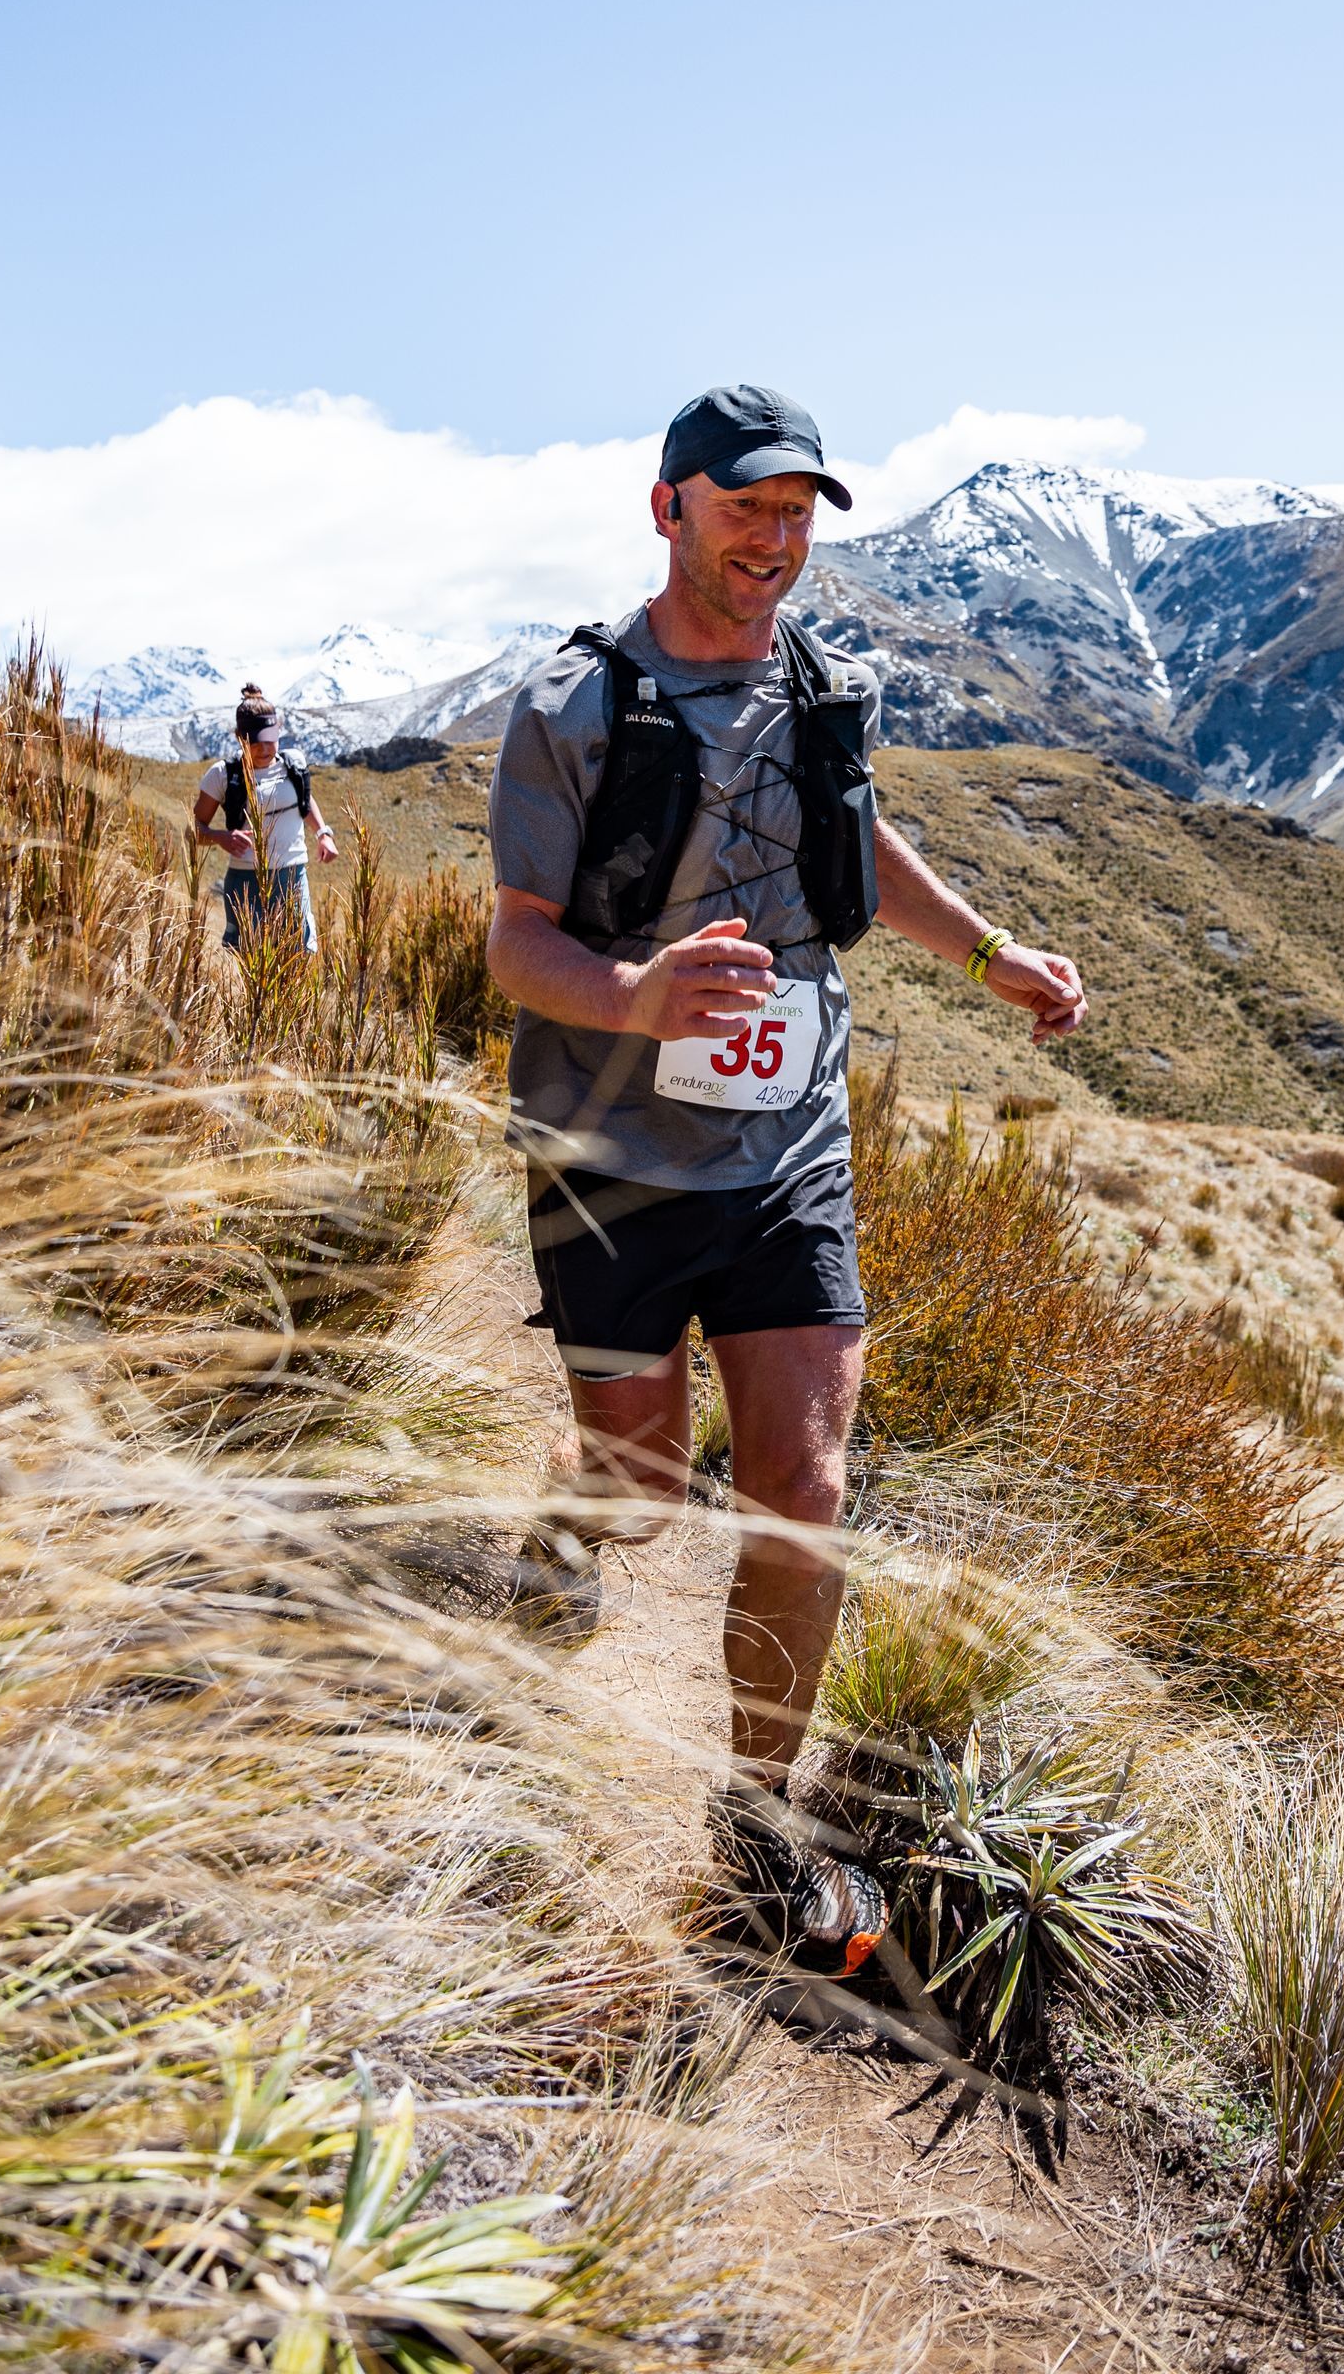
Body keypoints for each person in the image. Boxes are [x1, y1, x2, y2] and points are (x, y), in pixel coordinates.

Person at [485, 383, 1086, 1976]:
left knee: (803, 1496)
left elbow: (860, 846)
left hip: (787, 1152)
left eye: (799, 509)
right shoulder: (574, 704)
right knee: (640, 1491)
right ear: (668, 506)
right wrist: (632, 998)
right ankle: (580, 1504)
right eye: (747, 506)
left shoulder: (824, 681)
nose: (778, 538)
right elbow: (513, 932)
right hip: (611, 1157)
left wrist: (989, 956)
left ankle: (757, 1814)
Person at [193, 686, 339, 952]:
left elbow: (304, 802)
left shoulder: (293, 764)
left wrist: (323, 834)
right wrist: (220, 837)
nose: (264, 749)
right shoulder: (222, 775)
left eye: (270, 740)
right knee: (254, 970)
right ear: (240, 738)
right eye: (255, 742)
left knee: (299, 958)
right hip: (245, 883)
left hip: (293, 878)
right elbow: (195, 831)